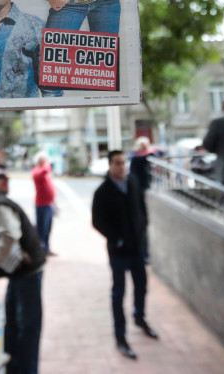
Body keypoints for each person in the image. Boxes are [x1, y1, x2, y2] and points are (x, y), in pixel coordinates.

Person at [92, 150, 158, 361]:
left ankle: (140, 318)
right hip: (119, 251)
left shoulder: (133, 182)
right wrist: (116, 238)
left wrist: (142, 229)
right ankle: (120, 337)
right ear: (110, 165)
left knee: (142, 285)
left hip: (137, 247)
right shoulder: (102, 191)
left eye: (124, 163)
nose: (122, 167)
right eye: (117, 163)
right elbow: (97, 221)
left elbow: (141, 207)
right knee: (118, 294)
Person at [0, 189, 46, 374]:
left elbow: (11, 235)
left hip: (28, 272)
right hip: (19, 273)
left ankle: (26, 369)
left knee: (28, 326)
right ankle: (13, 366)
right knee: (11, 322)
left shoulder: (0, 207)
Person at [31, 152, 57, 256]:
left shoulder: (44, 172)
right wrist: (48, 165)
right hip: (41, 204)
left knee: (47, 228)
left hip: (48, 203)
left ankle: (46, 247)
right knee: (42, 228)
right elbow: (45, 170)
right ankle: (40, 248)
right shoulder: (37, 171)